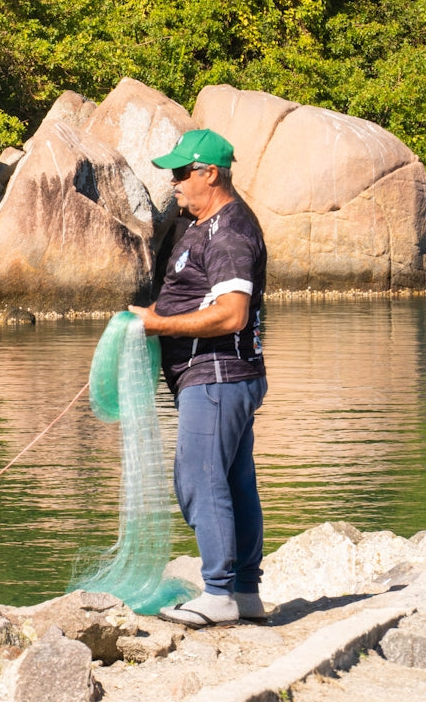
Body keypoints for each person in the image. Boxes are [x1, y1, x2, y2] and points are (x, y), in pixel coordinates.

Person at [128, 128, 268, 628]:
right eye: (172, 174)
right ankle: (246, 593)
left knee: (199, 480)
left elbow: (231, 314)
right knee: (233, 480)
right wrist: (147, 318)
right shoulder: (202, 224)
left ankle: (219, 594)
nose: (174, 184)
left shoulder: (229, 233)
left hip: (217, 376)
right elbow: (190, 297)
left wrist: (158, 325)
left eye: (182, 174)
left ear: (211, 174)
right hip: (220, 377)